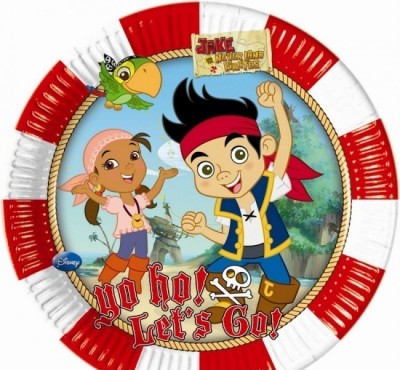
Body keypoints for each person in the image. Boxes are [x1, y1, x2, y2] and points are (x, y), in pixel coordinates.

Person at [163, 79, 319, 323]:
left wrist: (277, 107)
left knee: (280, 283)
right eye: (206, 169)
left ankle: (267, 313)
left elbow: (285, 148)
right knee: (215, 272)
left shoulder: (266, 187)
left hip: (268, 250)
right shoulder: (225, 205)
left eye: (238, 154)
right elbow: (226, 237)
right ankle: (228, 304)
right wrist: (203, 229)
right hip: (239, 253)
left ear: (265, 147)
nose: (223, 174)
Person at [60, 129, 177, 291]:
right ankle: (106, 277)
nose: (129, 165)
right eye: (111, 164)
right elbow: (101, 200)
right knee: (123, 255)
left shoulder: (138, 200)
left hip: (141, 232)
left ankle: (134, 281)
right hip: (127, 233)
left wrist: (161, 178)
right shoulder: (116, 202)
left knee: (141, 256)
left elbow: (153, 193)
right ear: (96, 178)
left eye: (134, 156)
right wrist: (88, 191)